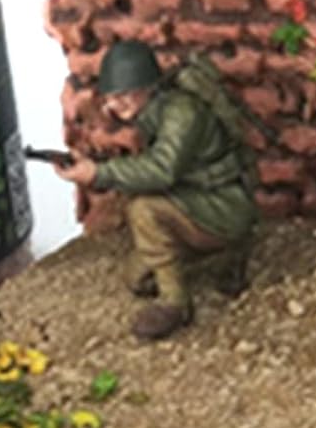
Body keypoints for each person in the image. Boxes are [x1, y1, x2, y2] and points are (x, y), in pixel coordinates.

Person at [54, 41, 258, 341]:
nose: (115, 105)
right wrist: (93, 167)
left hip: (224, 204)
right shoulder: (153, 110)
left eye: (124, 95)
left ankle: (175, 304)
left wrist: (99, 174)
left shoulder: (183, 114)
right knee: (137, 279)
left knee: (144, 209)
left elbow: (162, 170)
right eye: (111, 97)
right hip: (194, 200)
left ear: (147, 87)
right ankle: (221, 258)